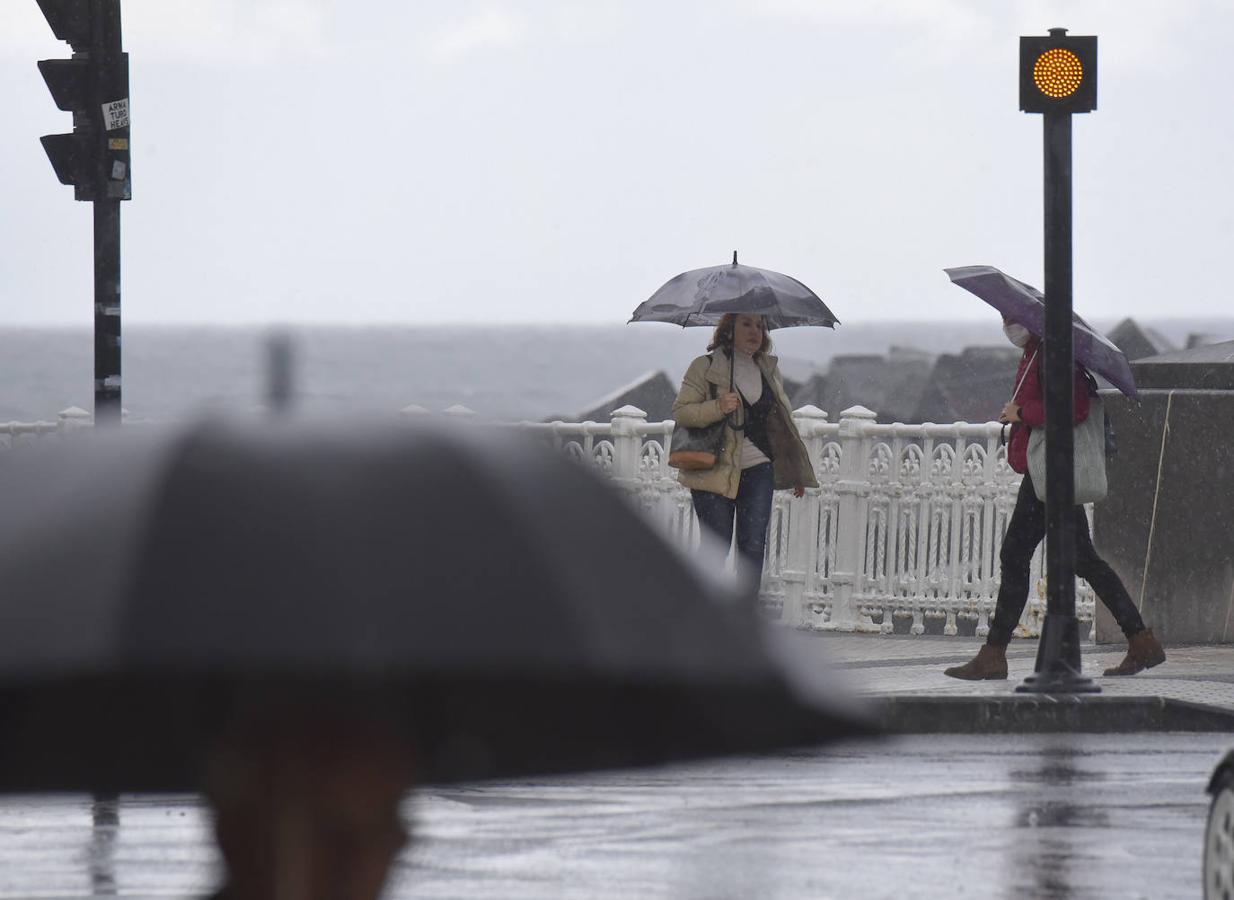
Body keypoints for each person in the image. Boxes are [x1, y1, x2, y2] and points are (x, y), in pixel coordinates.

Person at [944, 316, 1166, 680]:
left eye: (1011, 319)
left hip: (1049, 469)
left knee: (1015, 554)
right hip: (1050, 469)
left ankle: (994, 653)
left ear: (1031, 320)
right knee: (1083, 559)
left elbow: (1072, 409)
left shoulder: (1053, 354)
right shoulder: (1039, 352)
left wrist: (1022, 413)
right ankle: (1141, 641)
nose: (1007, 324)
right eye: (1004, 318)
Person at [671, 313, 818, 593]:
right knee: (716, 547)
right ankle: (700, 608)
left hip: (759, 469)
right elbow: (682, 411)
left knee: (753, 548)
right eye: (746, 324)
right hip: (714, 469)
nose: (755, 331)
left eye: (760, 326)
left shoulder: (767, 369)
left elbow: (781, 424)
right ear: (729, 329)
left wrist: (795, 471)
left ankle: (745, 614)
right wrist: (718, 407)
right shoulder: (705, 366)